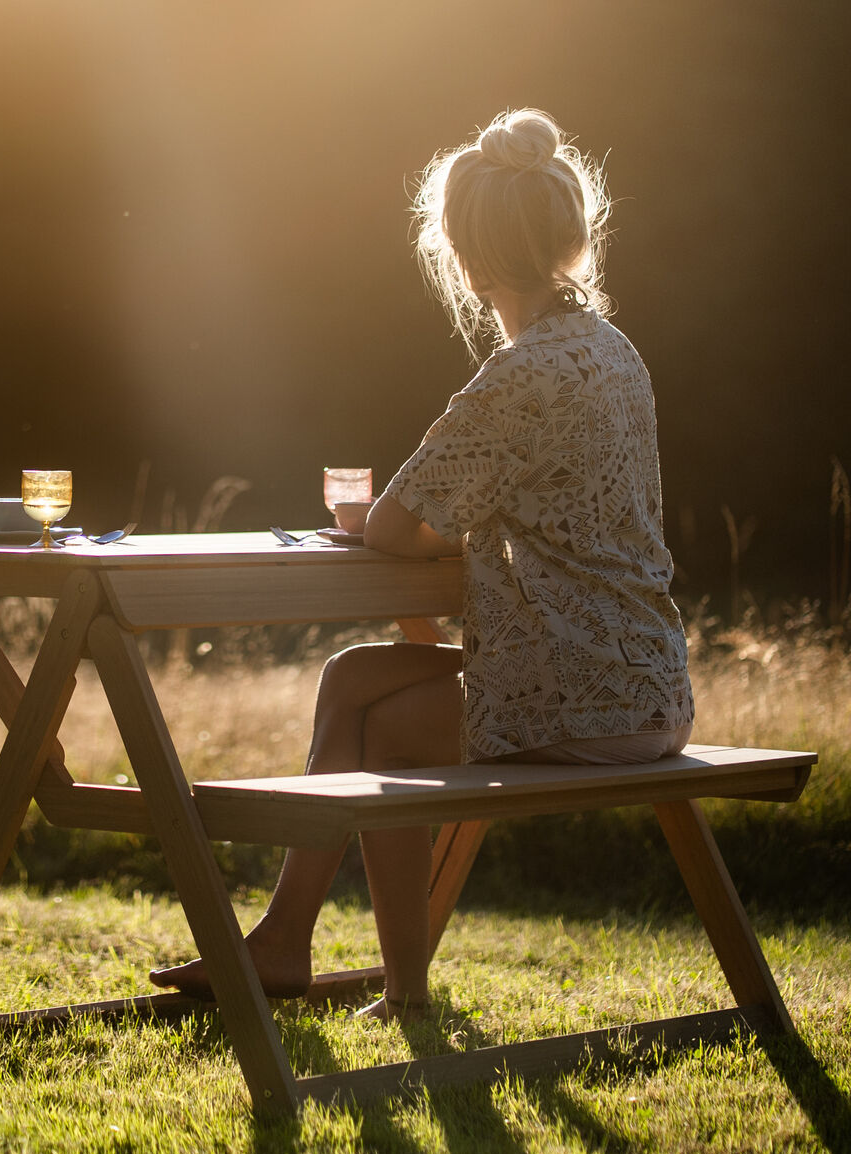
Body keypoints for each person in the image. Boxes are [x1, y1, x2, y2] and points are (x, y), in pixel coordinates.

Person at [150, 108, 695, 1020]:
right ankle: (301, 947)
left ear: (467, 258)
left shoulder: (520, 376)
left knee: (382, 730)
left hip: (584, 694)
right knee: (355, 675)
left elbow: (399, 528)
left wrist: (392, 522)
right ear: (568, 236)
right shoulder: (613, 353)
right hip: (650, 683)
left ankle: (367, 976)